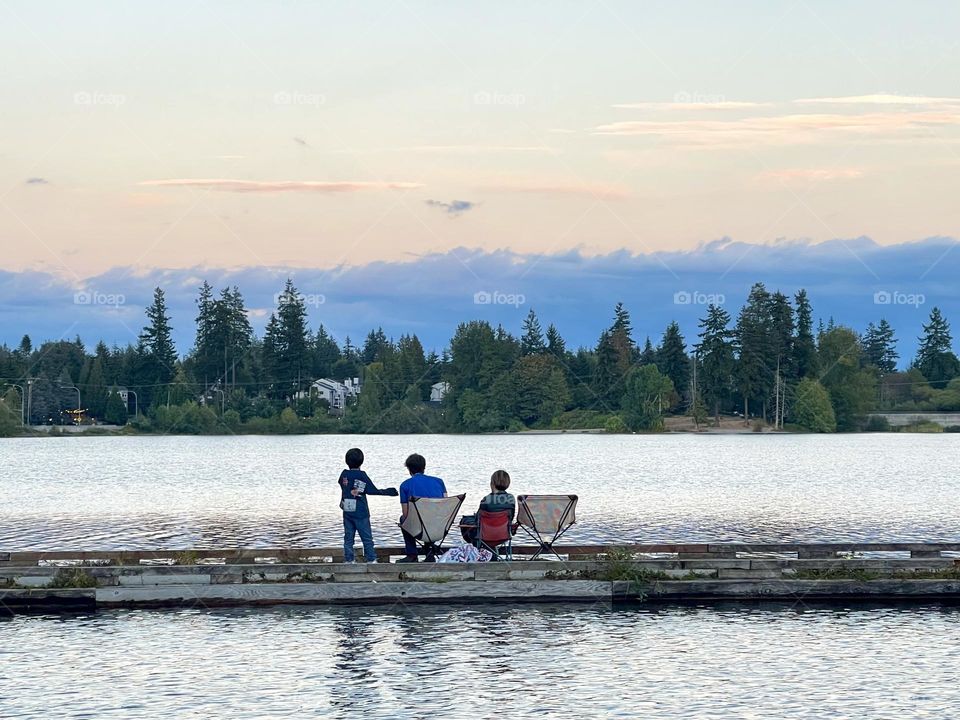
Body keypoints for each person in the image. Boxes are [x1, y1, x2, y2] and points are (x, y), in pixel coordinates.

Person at [338, 448, 398, 564]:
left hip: (347, 511)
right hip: (361, 512)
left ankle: (349, 559)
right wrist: (388, 492)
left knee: (348, 538)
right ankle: (371, 559)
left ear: (347, 461)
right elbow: (371, 490)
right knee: (367, 538)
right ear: (361, 461)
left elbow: (342, 484)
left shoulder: (344, 474)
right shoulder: (361, 475)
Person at [397, 453, 447, 563]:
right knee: (430, 516)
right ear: (424, 467)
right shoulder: (439, 482)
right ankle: (430, 555)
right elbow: (445, 506)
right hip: (439, 526)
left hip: (419, 528)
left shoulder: (405, 485)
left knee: (403, 519)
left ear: (409, 469)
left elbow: (406, 514)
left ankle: (412, 554)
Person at [463, 469, 515, 545]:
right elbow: (511, 517)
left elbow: (478, 520)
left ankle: (476, 548)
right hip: (503, 534)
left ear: (492, 483)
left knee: (465, 521)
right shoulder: (511, 498)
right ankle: (490, 549)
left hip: (484, 535)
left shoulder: (486, 499)